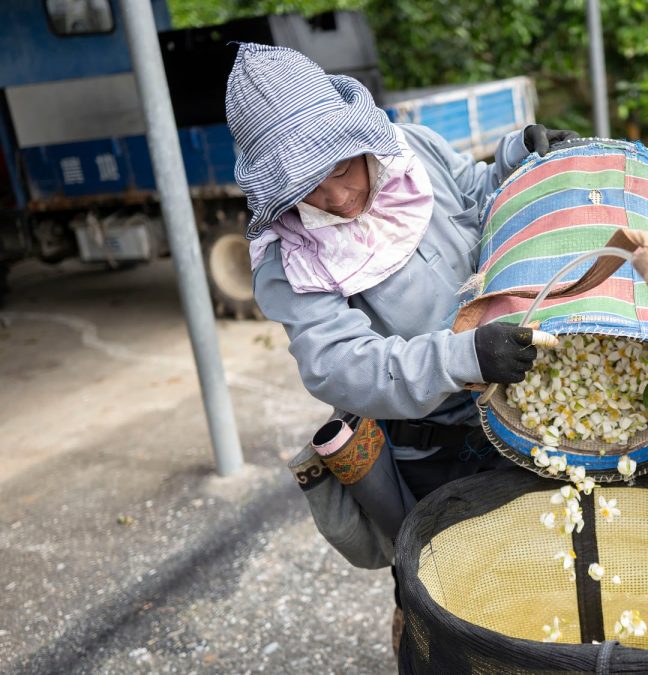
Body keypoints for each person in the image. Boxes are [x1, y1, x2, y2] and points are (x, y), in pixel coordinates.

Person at [224, 43, 579, 652]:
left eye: (340, 168)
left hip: (520, 401)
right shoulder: (290, 262)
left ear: (363, 141)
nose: (335, 197)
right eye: (308, 187)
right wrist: (464, 357)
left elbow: (474, 194)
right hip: (430, 443)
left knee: (548, 558)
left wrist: (517, 155)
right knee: (452, 587)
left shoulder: (412, 150)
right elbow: (341, 366)